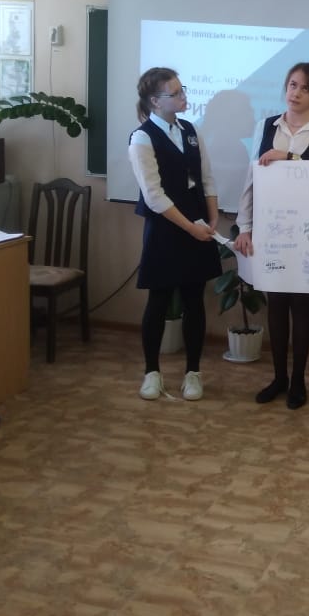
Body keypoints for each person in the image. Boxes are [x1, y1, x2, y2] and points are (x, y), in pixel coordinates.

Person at [234, 62, 309, 410]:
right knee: (276, 303)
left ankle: (298, 381)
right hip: (271, 229)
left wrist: (289, 156)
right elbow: (251, 180)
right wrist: (245, 227)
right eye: (292, 85)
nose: (296, 93)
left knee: (301, 304)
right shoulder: (266, 126)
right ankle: (279, 377)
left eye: (305, 88)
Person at [128, 68, 221, 400]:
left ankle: (193, 373)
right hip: (166, 228)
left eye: (183, 90)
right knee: (159, 300)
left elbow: (206, 178)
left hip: (197, 222)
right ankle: (152, 373)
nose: (184, 96)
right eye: (176, 92)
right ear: (155, 101)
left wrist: (212, 218)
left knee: (195, 300)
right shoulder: (142, 138)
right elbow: (154, 196)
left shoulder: (191, 131)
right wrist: (191, 227)